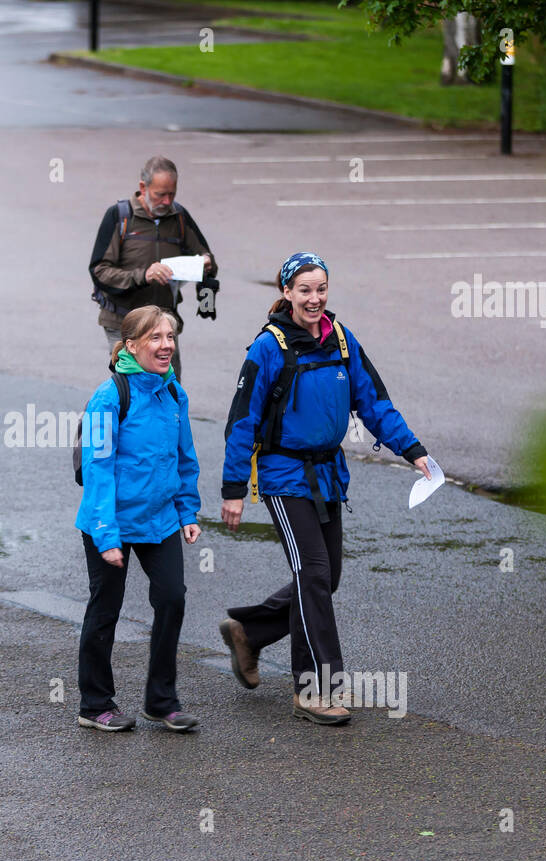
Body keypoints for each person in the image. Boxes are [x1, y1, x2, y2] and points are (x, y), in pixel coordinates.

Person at [218, 252, 432, 725]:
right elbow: (242, 420)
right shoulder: (267, 348)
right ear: (288, 293)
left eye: (321, 289)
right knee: (313, 573)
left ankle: (249, 632)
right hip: (282, 475)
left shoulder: (340, 339)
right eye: (305, 290)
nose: (314, 299)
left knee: (326, 576)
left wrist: (413, 450)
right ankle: (314, 691)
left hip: (326, 474)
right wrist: (233, 488)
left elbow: (373, 402)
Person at [74, 304, 203, 732]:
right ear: (131, 345)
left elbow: (184, 457)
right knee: (105, 609)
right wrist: (106, 535)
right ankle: (95, 705)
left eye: (170, 337)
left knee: (172, 598)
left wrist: (187, 510)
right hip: (108, 521)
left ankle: (161, 700)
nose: (166, 345)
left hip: (161, 519)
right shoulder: (109, 396)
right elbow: (97, 468)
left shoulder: (173, 393)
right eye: (156, 337)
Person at [88, 156, 217, 380]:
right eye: (160, 194)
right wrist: (143, 276)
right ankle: (95, 415)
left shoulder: (179, 217)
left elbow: (207, 259)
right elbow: (99, 271)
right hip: (123, 323)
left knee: (168, 387)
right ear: (143, 187)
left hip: (163, 324)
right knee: (132, 387)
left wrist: (205, 264)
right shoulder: (119, 216)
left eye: (172, 194)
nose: (167, 201)